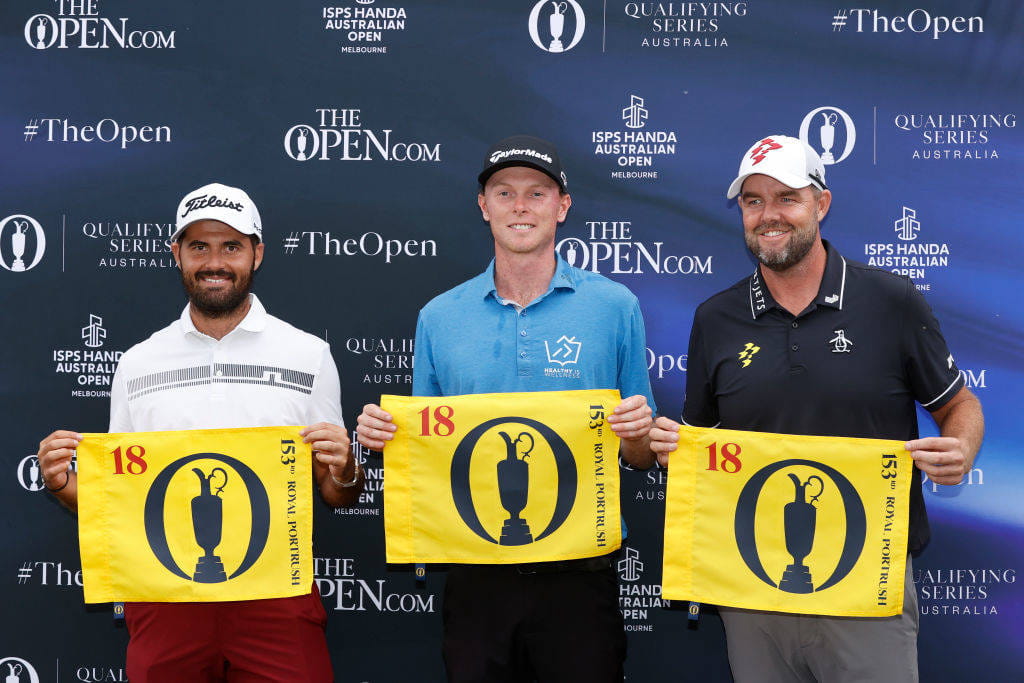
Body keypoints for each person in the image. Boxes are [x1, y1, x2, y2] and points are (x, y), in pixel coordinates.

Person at [649, 135, 984, 683]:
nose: (768, 215)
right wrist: (671, 452)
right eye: (753, 201)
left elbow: (958, 403)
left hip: (867, 586)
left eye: (786, 198)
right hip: (750, 587)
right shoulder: (716, 318)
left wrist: (963, 446)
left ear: (821, 204)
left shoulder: (892, 302)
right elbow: (700, 447)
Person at [356, 135, 656, 682]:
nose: (521, 206)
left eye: (537, 193)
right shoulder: (439, 317)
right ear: (483, 206)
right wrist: (385, 436)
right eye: (504, 192)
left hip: (579, 574)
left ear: (562, 207)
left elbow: (639, 456)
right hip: (475, 574)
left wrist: (639, 433)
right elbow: (427, 452)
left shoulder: (615, 307)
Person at [36, 182, 363, 682]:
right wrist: (63, 486)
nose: (215, 261)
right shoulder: (137, 362)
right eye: (198, 247)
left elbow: (336, 494)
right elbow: (121, 498)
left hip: (276, 595)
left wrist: (344, 469)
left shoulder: (308, 354)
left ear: (257, 253)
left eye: (231, 246)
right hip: (165, 599)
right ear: (177, 255)